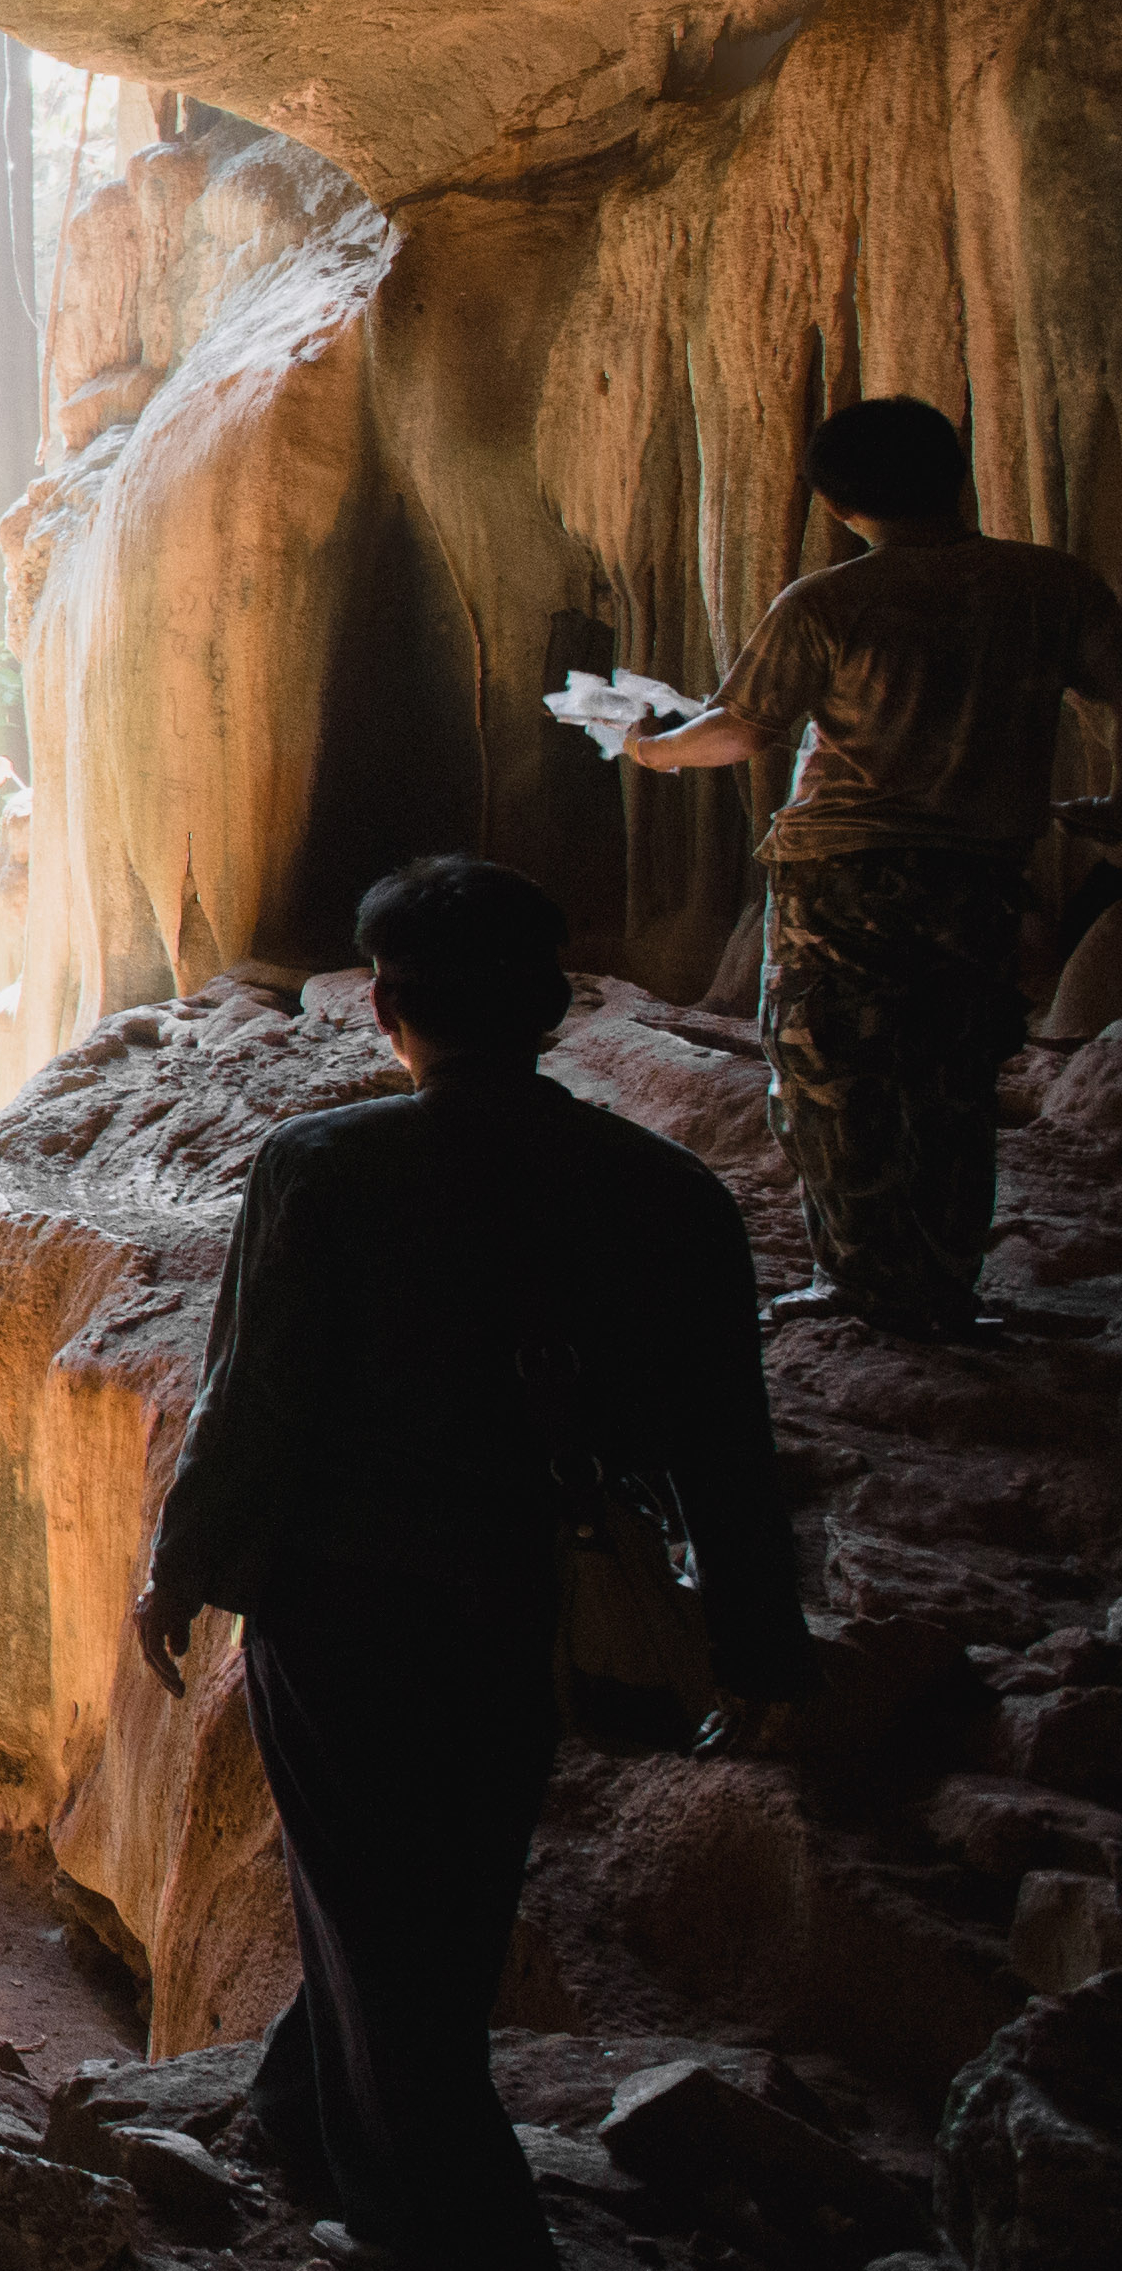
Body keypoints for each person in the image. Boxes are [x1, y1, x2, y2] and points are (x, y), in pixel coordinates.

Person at [134, 855, 814, 2267]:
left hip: (339, 1603)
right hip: (529, 1600)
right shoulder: (668, 1194)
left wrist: (184, 1565)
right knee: (433, 1887)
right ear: (557, 1004)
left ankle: (450, 2226)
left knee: (386, 1909)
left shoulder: (322, 1167)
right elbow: (725, 1447)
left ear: (384, 1004)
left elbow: (253, 1400)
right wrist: (757, 1637)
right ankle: (304, 2114)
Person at [627, 392, 1122, 1339]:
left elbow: (739, 730)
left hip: (845, 875)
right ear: (955, 471)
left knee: (835, 1080)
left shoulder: (832, 598)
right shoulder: (1051, 586)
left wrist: (651, 749)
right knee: (950, 1074)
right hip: (978, 874)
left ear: (838, 504)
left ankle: (863, 1284)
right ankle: (942, 1285)